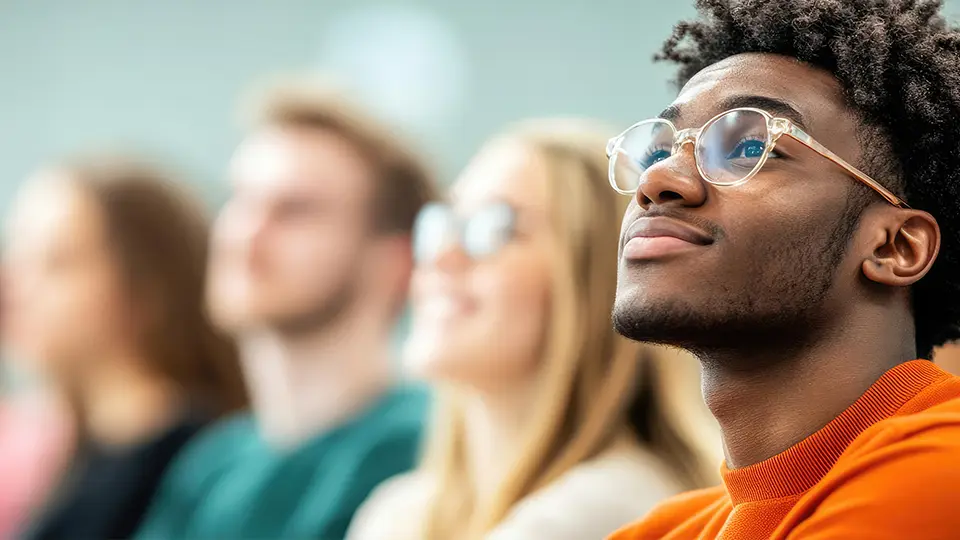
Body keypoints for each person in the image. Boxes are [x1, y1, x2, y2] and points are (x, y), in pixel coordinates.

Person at [605, 0, 960, 538]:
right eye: (656, 152)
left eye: (748, 146)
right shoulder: (664, 529)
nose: (659, 182)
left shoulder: (942, 469)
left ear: (895, 247)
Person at [346, 120, 721, 540]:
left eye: (493, 227)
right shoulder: (400, 510)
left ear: (592, 283)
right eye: (443, 222)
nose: (443, 255)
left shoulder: (610, 507)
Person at [136, 82, 437, 540]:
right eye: (239, 199)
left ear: (395, 263)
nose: (246, 233)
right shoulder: (211, 466)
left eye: (296, 210)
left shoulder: (422, 448)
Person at [2, 157, 248, 540]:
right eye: (18, 258)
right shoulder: (78, 457)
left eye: (56, 263)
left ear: (147, 291)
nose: (14, 287)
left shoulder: (194, 466)